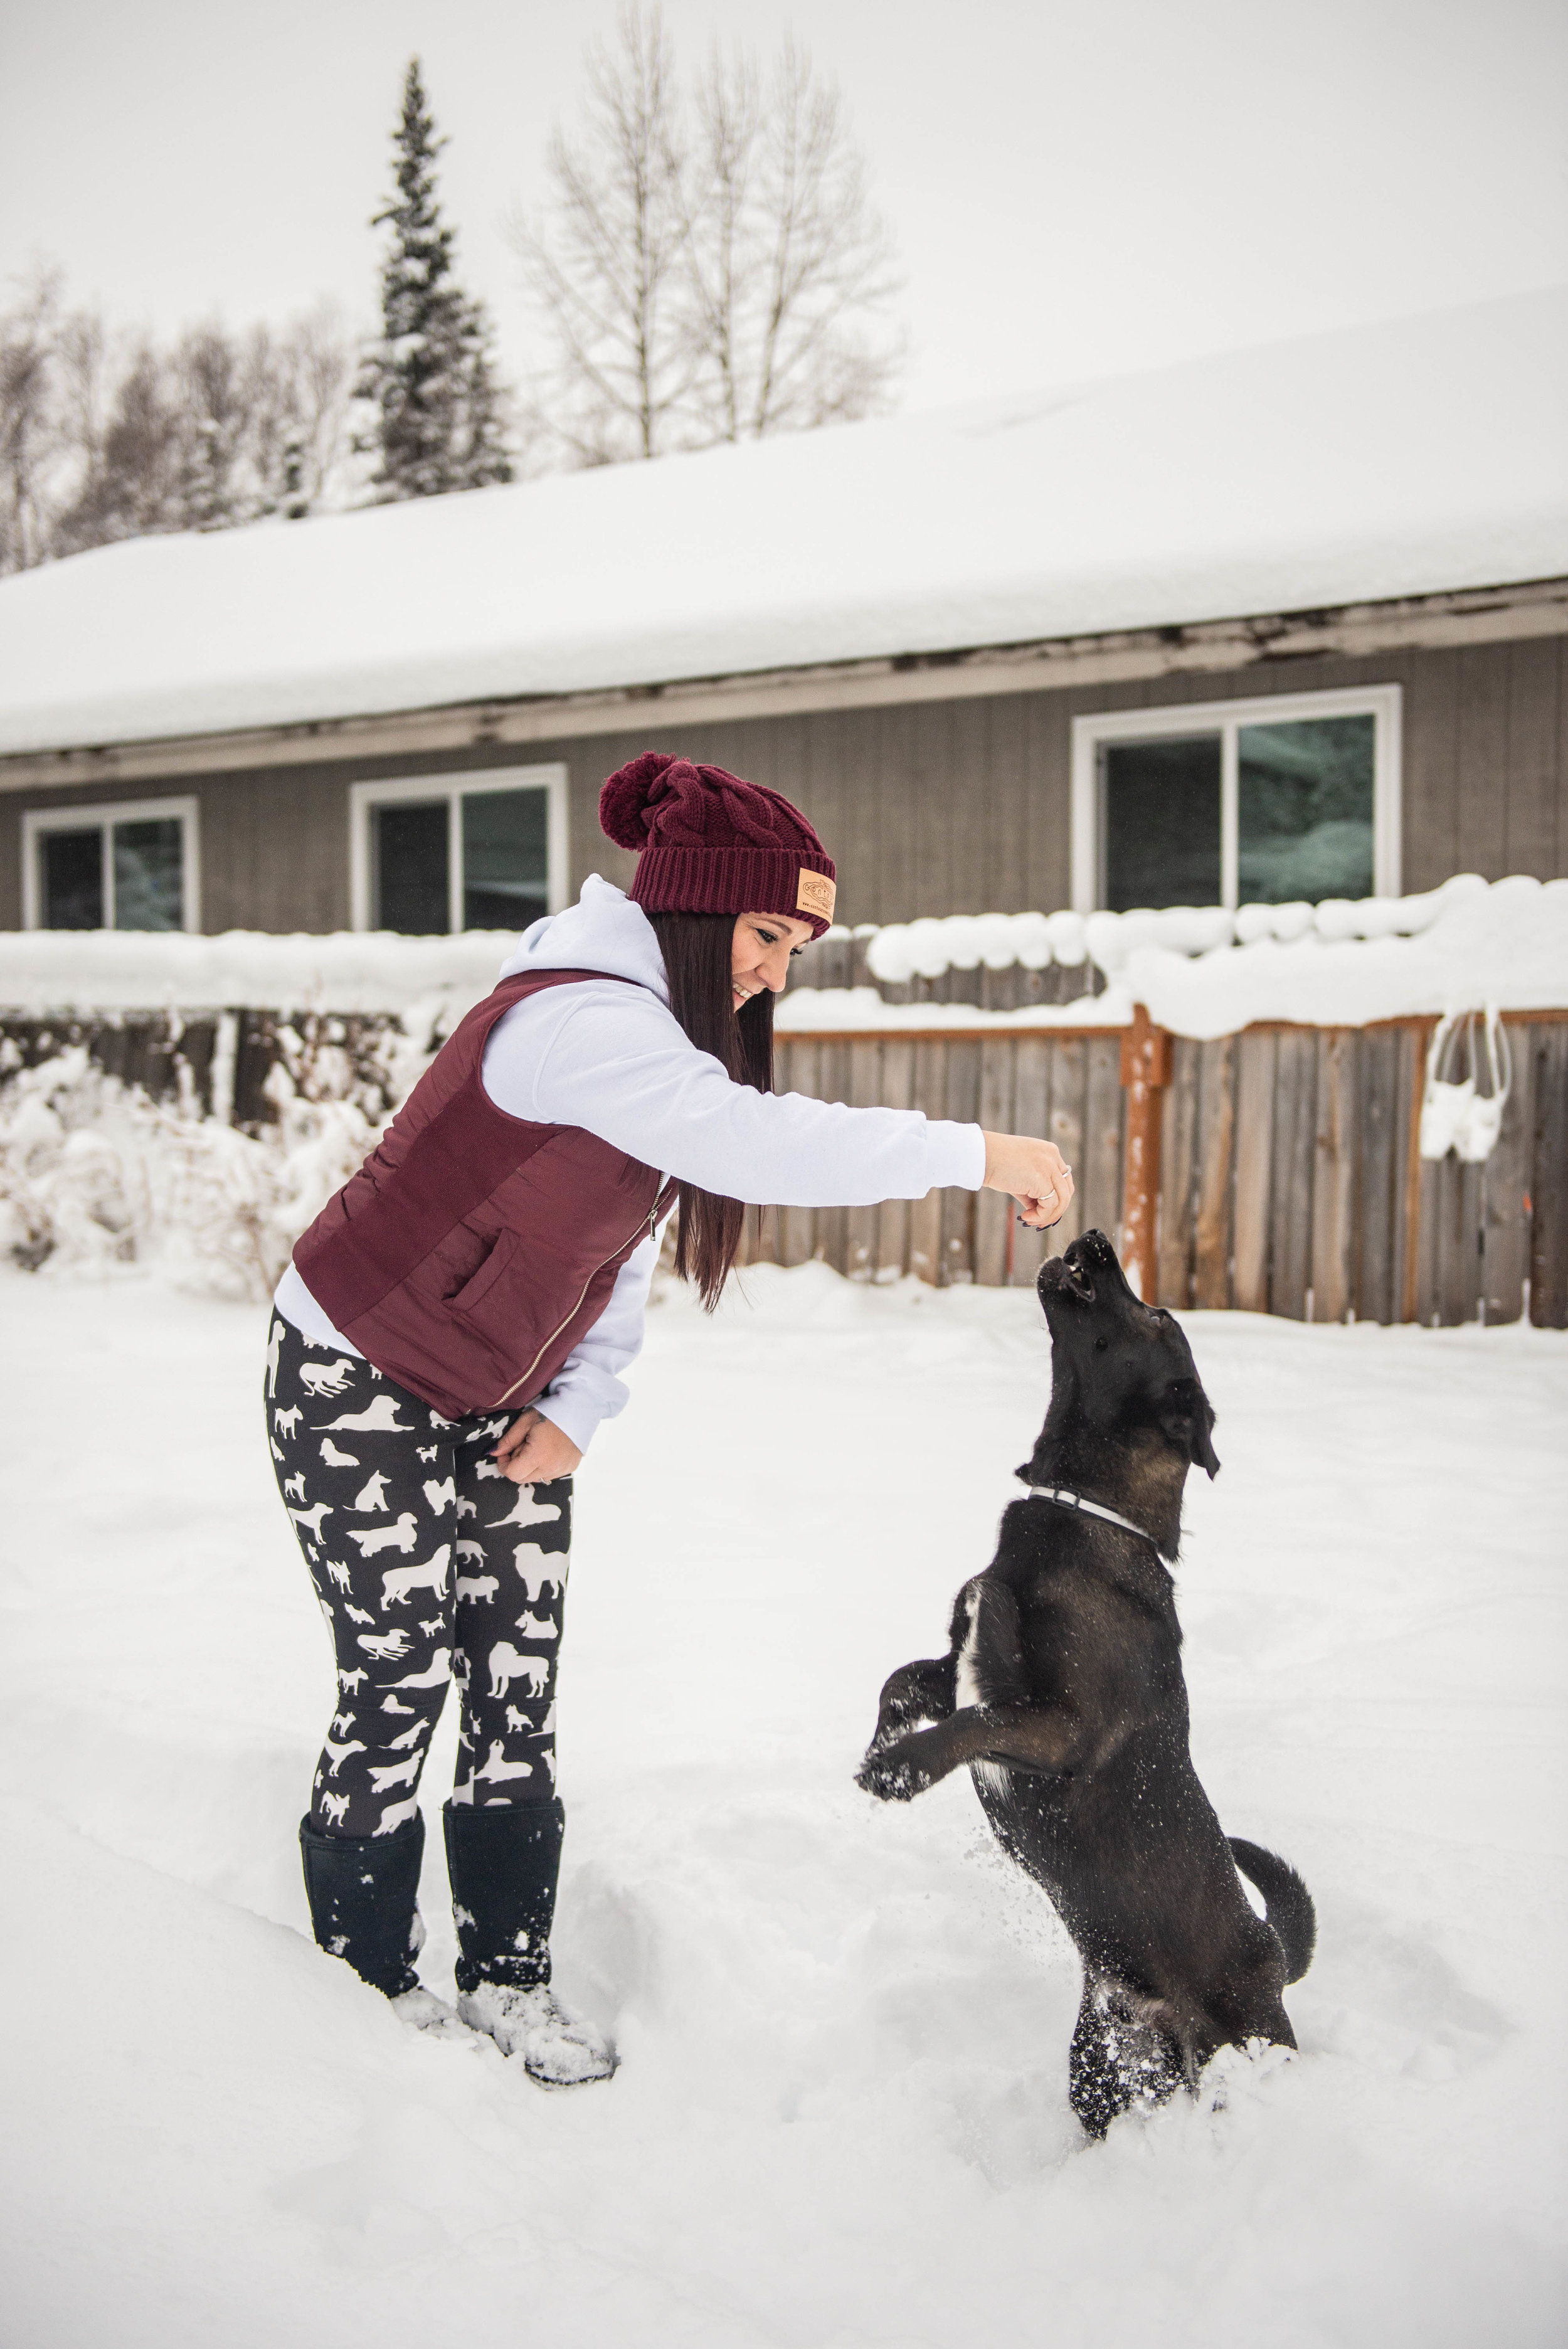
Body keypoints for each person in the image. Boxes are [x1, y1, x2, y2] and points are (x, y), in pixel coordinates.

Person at [266, 751, 1074, 2086]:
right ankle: (364, 1994)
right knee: (402, 1674)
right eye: (767, 935)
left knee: (514, 1689)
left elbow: (617, 1248)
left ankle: (507, 1980)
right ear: (698, 911)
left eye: (793, 948)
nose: (772, 972)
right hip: (356, 1370)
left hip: (499, 1395)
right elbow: (758, 1144)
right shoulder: (583, 1021)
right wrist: (969, 1153)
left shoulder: (655, 1046)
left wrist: (580, 1402)